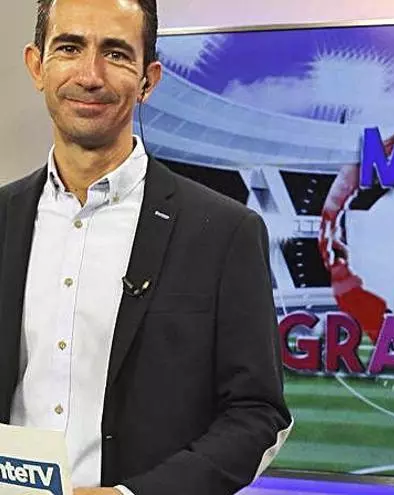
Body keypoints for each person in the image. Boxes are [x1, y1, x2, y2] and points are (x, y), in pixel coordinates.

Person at [0, 0, 292, 494]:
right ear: (36, 65)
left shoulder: (224, 232)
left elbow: (257, 415)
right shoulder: (4, 218)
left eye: (116, 53)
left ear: (148, 80)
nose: (90, 75)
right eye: (69, 48)